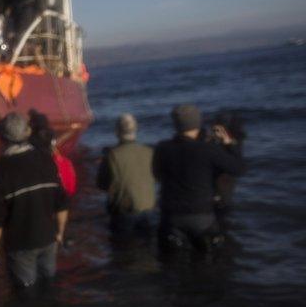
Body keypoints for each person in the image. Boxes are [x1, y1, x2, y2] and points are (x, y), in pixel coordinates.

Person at [0, 113, 69, 292]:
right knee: (49, 286)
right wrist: (60, 232)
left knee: (26, 292)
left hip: (21, 244)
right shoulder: (47, 160)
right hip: (48, 238)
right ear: (27, 132)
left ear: (2, 138)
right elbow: (61, 202)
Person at [153, 104, 244, 252]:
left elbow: (157, 175)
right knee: (207, 263)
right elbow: (237, 168)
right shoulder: (208, 150)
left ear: (175, 124)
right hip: (201, 217)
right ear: (198, 122)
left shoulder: (162, 148)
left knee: (173, 266)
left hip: (171, 217)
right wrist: (230, 145)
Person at [96, 113, 156, 238]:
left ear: (117, 131)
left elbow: (101, 184)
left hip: (124, 214)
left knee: (122, 249)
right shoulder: (149, 152)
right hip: (149, 211)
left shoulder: (112, 155)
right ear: (136, 129)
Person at [208, 111, 246, 220]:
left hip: (220, 192)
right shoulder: (215, 143)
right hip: (217, 192)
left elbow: (238, 167)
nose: (216, 132)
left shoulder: (232, 143)